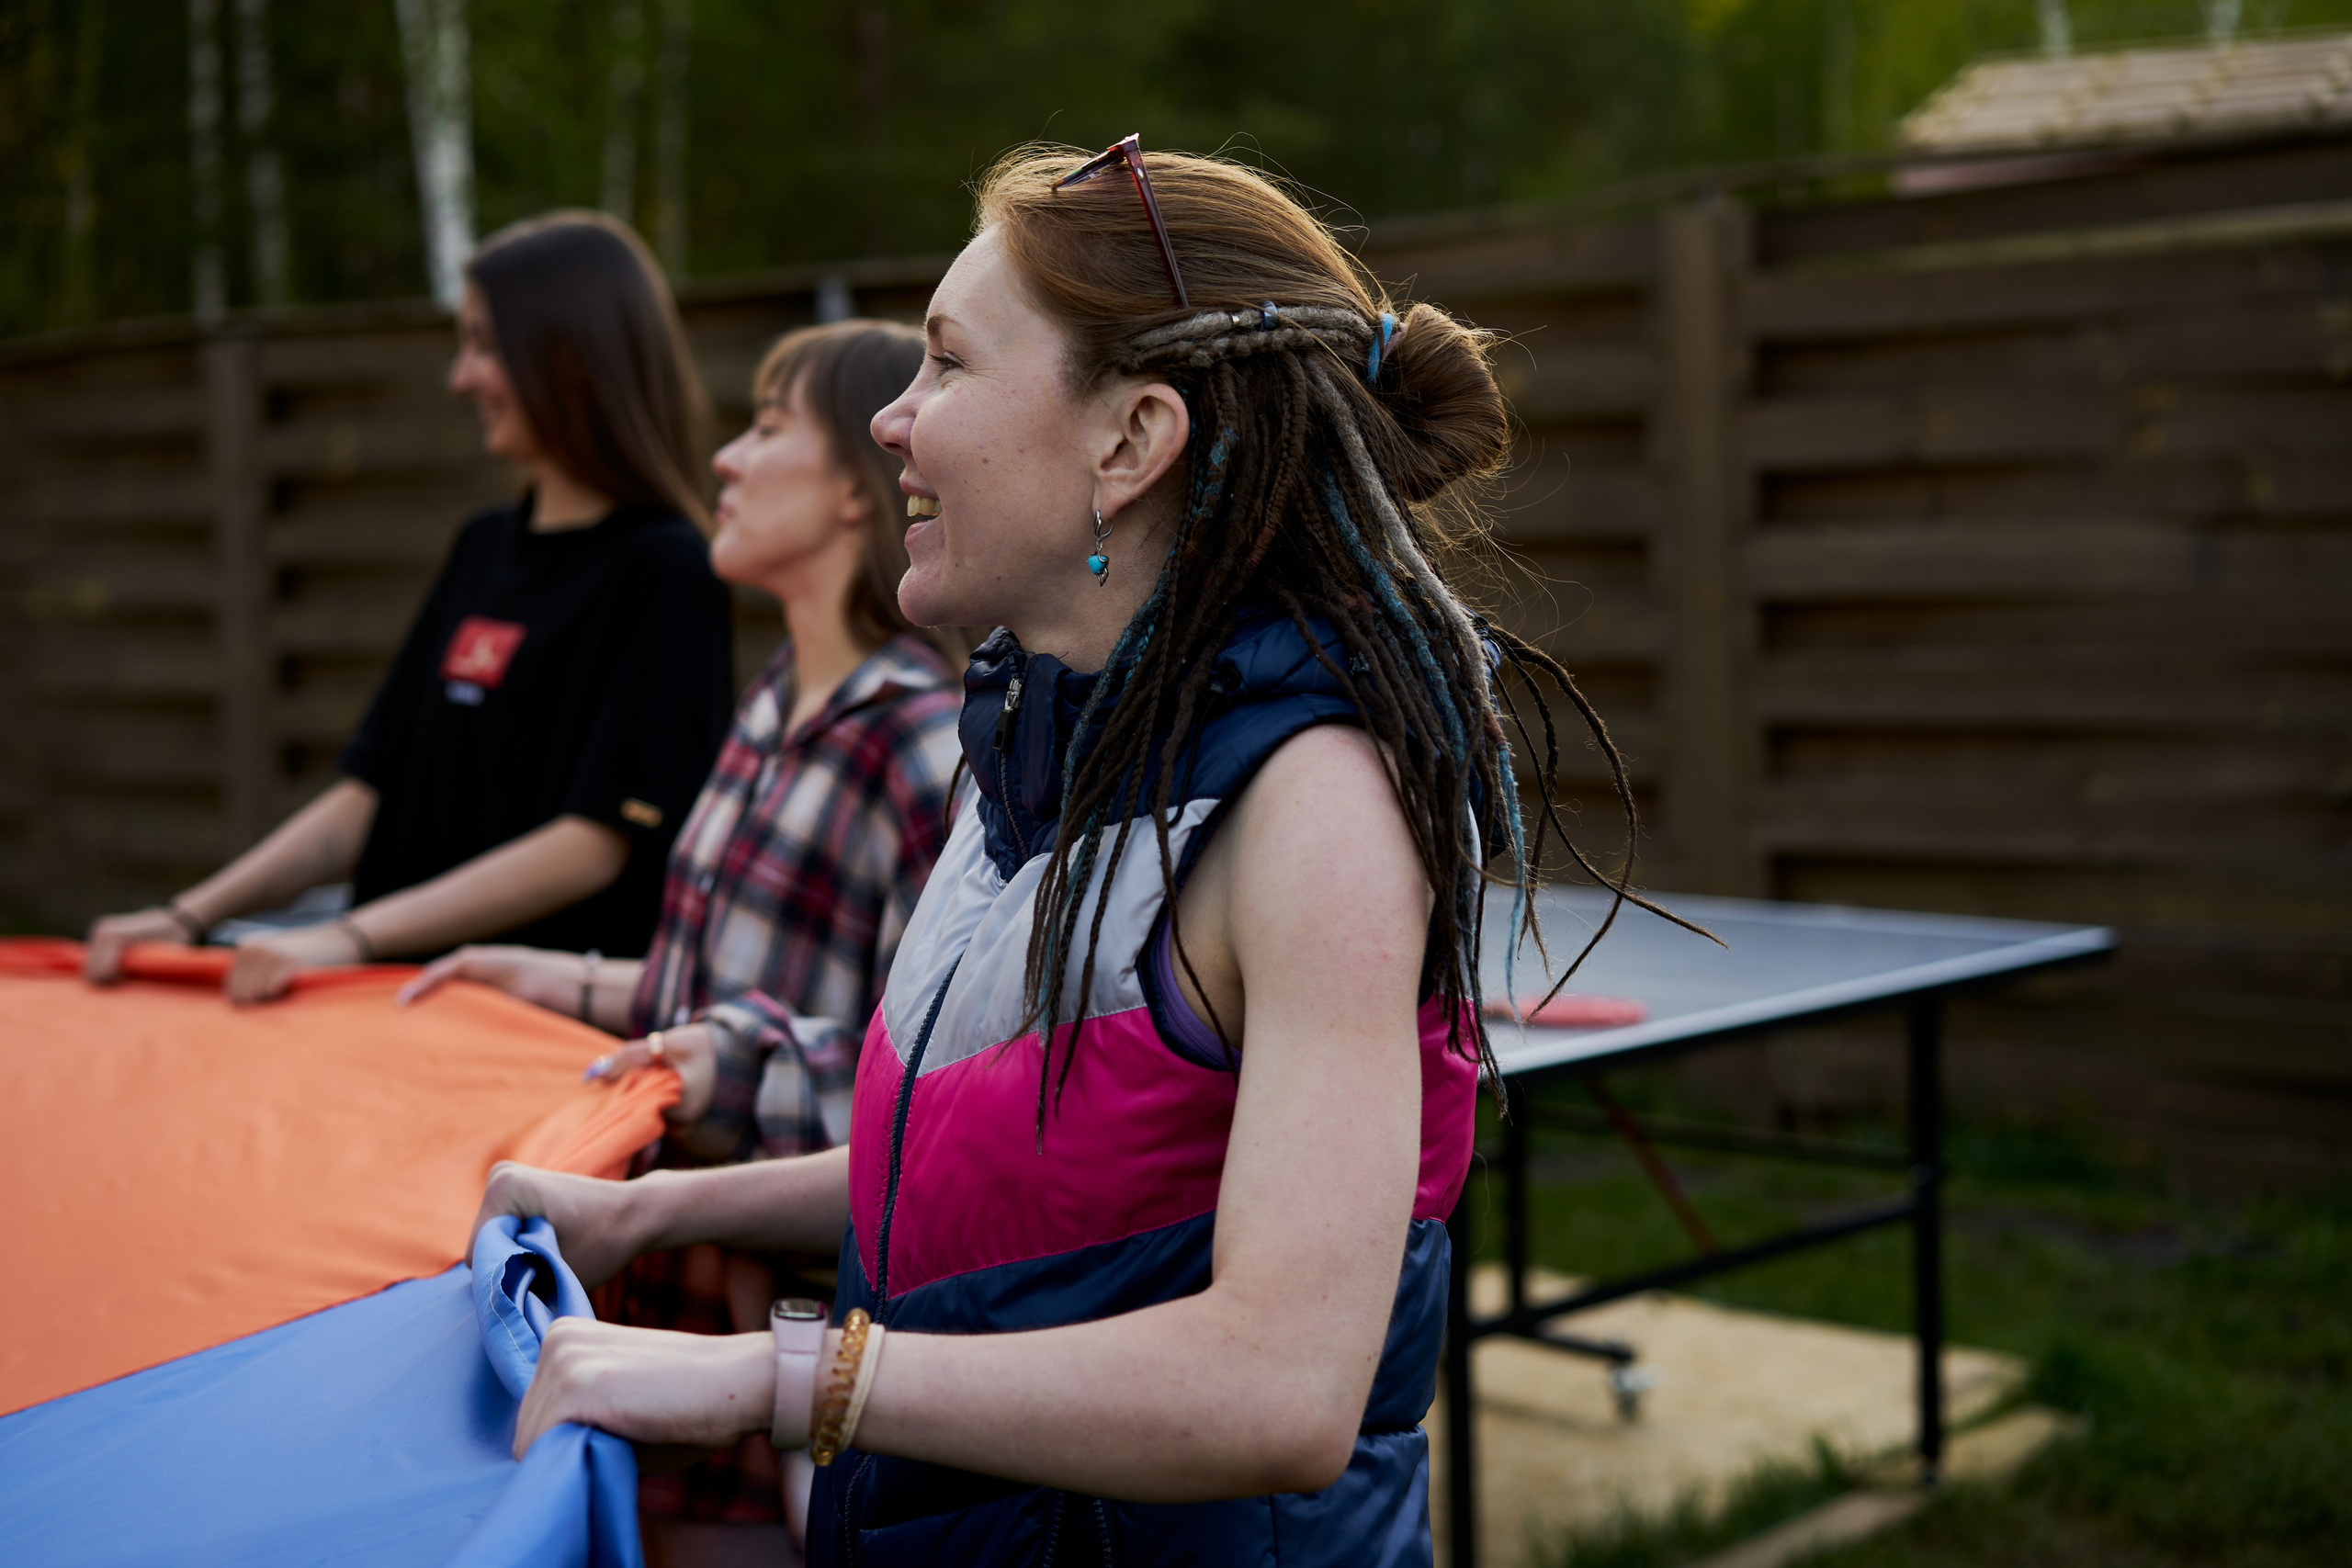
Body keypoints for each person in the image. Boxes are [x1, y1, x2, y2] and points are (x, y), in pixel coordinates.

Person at [470, 142, 1645, 1566]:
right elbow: (975, 1158)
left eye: (950, 365)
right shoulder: (1036, 749)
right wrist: (651, 1206)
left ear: (1130, 442)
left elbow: (1284, 1387)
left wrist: (775, 1378)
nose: (894, 421)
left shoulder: (1319, 807)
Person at [400, 320, 968, 1540]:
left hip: (778, 1379)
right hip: (647, 1324)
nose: (722, 459)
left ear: (855, 496)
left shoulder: (925, 741)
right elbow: (692, 995)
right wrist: (541, 976)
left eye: (766, 429)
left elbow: (935, 1089)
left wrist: (738, 1062)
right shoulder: (768, 701)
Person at [83, 211, 734, 1004]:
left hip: (523, 1033)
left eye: (485, 345)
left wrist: (351, 936)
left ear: (569, 359)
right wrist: (186, 916)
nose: (460, 377)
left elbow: (594, 842)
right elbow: (371, 789)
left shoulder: (667, 570)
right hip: (393, 1004)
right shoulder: (484, 544)